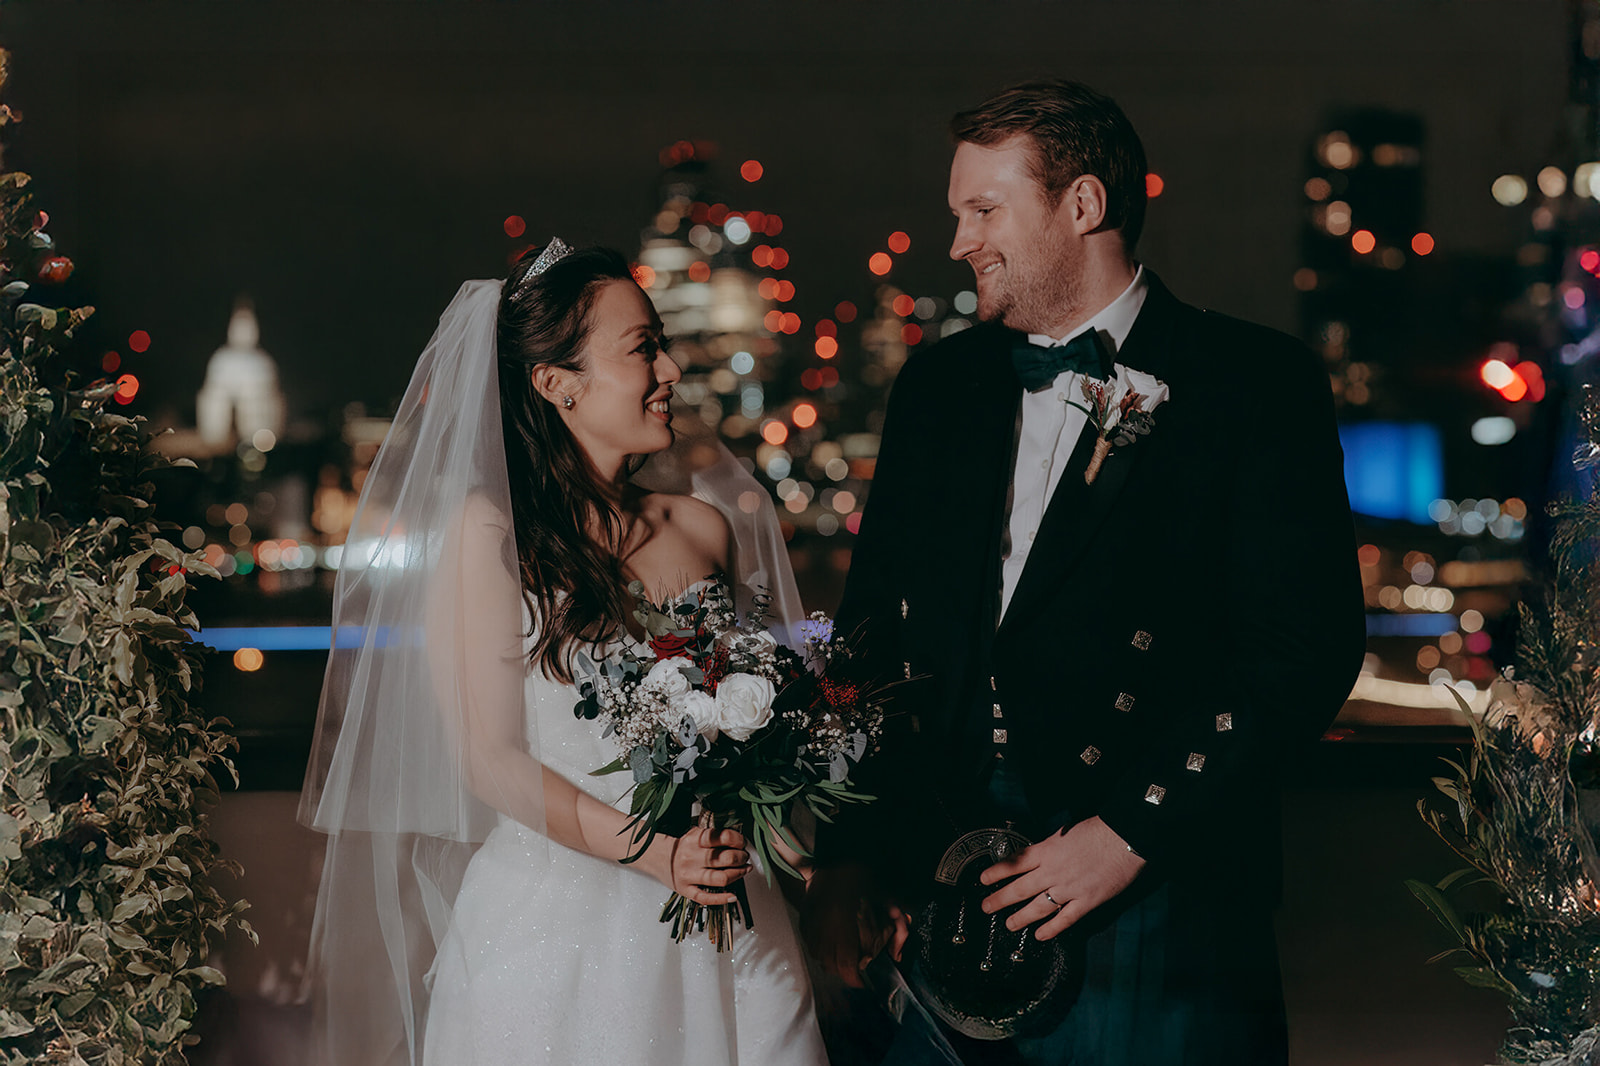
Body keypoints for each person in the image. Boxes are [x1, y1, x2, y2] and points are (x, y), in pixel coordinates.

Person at [805, 80, 1368, 1065]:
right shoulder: (935, 391)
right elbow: (868, 638)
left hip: (1157, 882)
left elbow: (1301, 648)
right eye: (956, 213)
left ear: (1083, 206)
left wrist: (1127, 833)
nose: (958, 241)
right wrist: (853, 853)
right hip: (939, 886)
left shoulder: (1250, 385)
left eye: (984, 210)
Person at [298, 241, 826, 1066]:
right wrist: (654, 852)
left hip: (724, 910)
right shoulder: (488, 535)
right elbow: (488, 759)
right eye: (642, 347)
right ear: (558, 384)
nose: (670, 368)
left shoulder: (704, 528)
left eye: (663, 343)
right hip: (557, 934)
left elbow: (755, 717)